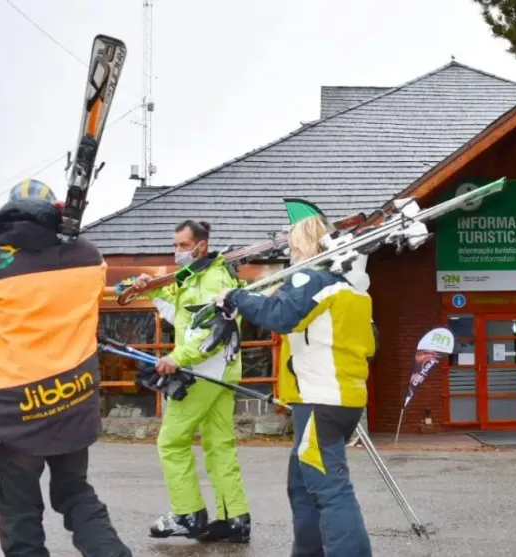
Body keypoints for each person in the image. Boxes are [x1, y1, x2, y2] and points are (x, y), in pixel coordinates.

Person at [0, 179, 132, 557]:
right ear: (56, 211)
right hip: (73, 397)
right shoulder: (89, 256)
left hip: (15, 406)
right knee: (76, 493)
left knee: (19, 509)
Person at [215, 200, 376, 557]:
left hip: (322, 399)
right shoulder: (353, 289)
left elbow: (282, 314)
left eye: (290, 243)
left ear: (302, 243)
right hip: (340, 399)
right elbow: (370, 342)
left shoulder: (311, 277)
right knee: (303, 485)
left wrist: (237, 296)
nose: (288, 250)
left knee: (329, 488)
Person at [130, 219, 251, 542]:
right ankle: (234, 518)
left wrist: (176, 358)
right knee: (219, 445)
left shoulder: (210, 278)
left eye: (184, 246)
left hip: (204, 373)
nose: (178, 252)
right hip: (221, 373)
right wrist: (152, 287)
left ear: (202, 245)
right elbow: (181, 316)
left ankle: (187, 514)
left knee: (171, 442)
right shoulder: (199, 275)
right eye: (175, 245)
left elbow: (212, 332)